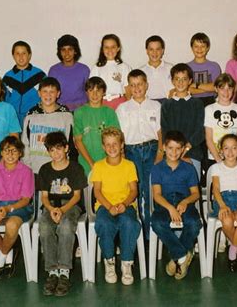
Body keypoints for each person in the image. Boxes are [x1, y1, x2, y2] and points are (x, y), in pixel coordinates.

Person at [38, 132, 87, 296]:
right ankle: (52, 271)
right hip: (51, 206)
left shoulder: (75, 168)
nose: (56, 153)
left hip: (71, 206)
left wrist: (62, 210)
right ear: (48, 152)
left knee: (66, 227)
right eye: (52, 150)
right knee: (44, 227)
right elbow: (44, 197)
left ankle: (64, 271)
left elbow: (77, 196)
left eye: (59, 149)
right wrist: (52, 209)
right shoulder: (44, 169)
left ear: (66, 148)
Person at [116, 69, 163, 240]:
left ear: (146, 85)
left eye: (140, 84)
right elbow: (120, 135)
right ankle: (139, 234)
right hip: (132, 151)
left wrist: (160, 152)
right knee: (136, 190)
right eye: (133, 85)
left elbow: (160, 132)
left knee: (151, 189)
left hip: (151, 149)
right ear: (128, 87)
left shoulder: (156, 106)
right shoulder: (122, 108)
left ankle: (151, 234)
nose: (137, 88)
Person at [91, 127, 140, 285]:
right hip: (105, 206)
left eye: (115, 144)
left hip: (126, 206)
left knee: (130, 223)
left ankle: (126, 263)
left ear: (122, 145)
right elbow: (97, 191)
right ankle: (109, 262)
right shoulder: (98, 166)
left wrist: (124, 204)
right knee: (104, 224)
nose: (112, 148)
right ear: (103, 147)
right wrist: (109, 206)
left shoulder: (129, 165)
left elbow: (134, 190)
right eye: (108, 144)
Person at [150, 130, 202, 280]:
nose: (174, 152)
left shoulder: (188, 168)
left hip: (184, 202)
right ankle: (182, 256)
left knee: (194, 223)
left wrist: (185, 202)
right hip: (164, 203)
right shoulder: (157, 168)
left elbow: (195, 194)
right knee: (157, 223)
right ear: (164, 148)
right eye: (170, 148)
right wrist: (170, 208)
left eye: (178, 148)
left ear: (183, 149)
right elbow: (157, 195)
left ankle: (175, 259)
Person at [0, 136, 34, 279]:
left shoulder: (26, 171)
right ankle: (7, 250)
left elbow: (26, 199)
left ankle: (2, 253)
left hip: (18, 207)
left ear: (20, 153)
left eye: (14, 151)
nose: (10, 155)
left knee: (11, 225)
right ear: (1, 153)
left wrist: (9, 208)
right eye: (6, 151)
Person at [209, 134, 237, 272]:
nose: (230, 152)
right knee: (226, 221)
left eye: (234, 148)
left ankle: (232, 251)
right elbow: (215, 189)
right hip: (223, 199)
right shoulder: (216, 168)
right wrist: (222, 205)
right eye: (226, 148)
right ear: (221, 151)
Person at [22, 77, 76, 175]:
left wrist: (68, 166)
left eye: (52, 91)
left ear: (58, 94)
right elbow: (25, 143)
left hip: (60, 168)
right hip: (35, 169)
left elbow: (71, 143)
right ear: (39, 93)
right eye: (45, 91)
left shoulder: (66, 115)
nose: (48, 95)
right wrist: (27, 166)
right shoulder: (31, 114)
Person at [161, 63, 204, 179]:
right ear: (172, 81)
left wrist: (187, 147)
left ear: (190, 81)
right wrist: (175, 151)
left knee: (192, 190)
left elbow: (200, 130)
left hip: (193, 153)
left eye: (184, 79)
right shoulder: (166, 104)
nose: (180, 82)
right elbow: (165, 130)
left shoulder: (197, 104)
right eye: (177, 79)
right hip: (172, 154)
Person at [73, 77, 120, 176]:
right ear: (86, 92)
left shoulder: (109, 112)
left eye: (98, 90)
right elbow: (78, 140)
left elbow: (116, 139)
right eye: (91, 90)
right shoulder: (79, 112)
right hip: (86, 163)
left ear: (104, 92)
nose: (95, 94)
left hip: (108, 162)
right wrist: (91, 163)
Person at [205, 73, 237, 165]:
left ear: (234, 89)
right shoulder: (209, 109)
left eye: (229, 88)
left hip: (234, 158)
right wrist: (219, 160)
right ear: (216, 89)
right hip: (214, 158)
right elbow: (208, 137)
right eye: (222, 88)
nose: (226, 92)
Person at [3, 41, 46, 125]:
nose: (21, 56)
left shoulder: (39, 75)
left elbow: (46, 96)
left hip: (35, 117)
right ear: (13, 56)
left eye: (24, 53)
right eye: (17, 53)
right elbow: (3, 98)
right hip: (13, 118)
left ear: (29, 55)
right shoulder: (7, 77)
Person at [48, 34, 90, 111]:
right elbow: (50, 94)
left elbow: (89, 92)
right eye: (63, 50)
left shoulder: (84, 69)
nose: (67, 53)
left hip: (82, 110)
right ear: (59, 52)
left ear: (75, 51)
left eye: (70, 49)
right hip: (60, 111)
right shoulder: (54, 71)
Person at [90, 34, 132, 109]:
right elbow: (92, 90)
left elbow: (128, 90)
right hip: (102, 103)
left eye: (113, 47)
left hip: (120, 103)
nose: (110, 50)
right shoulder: (96, 68)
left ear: (118, 48)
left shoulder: (124, 67)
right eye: (106, 47)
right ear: (102, 49)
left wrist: (130, 107)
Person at [187, 32, 221, 106]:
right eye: (196, 46)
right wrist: (207, 89)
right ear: (191, 48)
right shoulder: (186, 67)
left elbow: (216, 87)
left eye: (203, 46)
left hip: (210, 101)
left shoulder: (214, 66)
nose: (199, 49)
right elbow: (186, 89)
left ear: (208, 48)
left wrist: (195, 85)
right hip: (191, 102)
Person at [139, 35, 173, 102]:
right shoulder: (140, 71)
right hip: (148, 105)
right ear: (147, 51)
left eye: (158, 49)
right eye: (151, 49)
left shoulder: (171, 68)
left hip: (167, 104)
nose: (155, 53)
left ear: (162, 50)